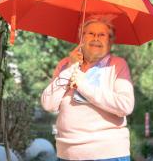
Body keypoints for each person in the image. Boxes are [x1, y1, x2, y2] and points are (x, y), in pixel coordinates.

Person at [41, 15, 134, 161]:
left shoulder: (117, 65)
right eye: (90, 33)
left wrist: (83, 84)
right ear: (81, 38)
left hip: (108, 154)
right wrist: (69, 69)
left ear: (110, 41)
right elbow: (48, 104)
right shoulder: (65, 64)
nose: (96, 38)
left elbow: (125, 106)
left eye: (102, 35)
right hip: (67, 154)